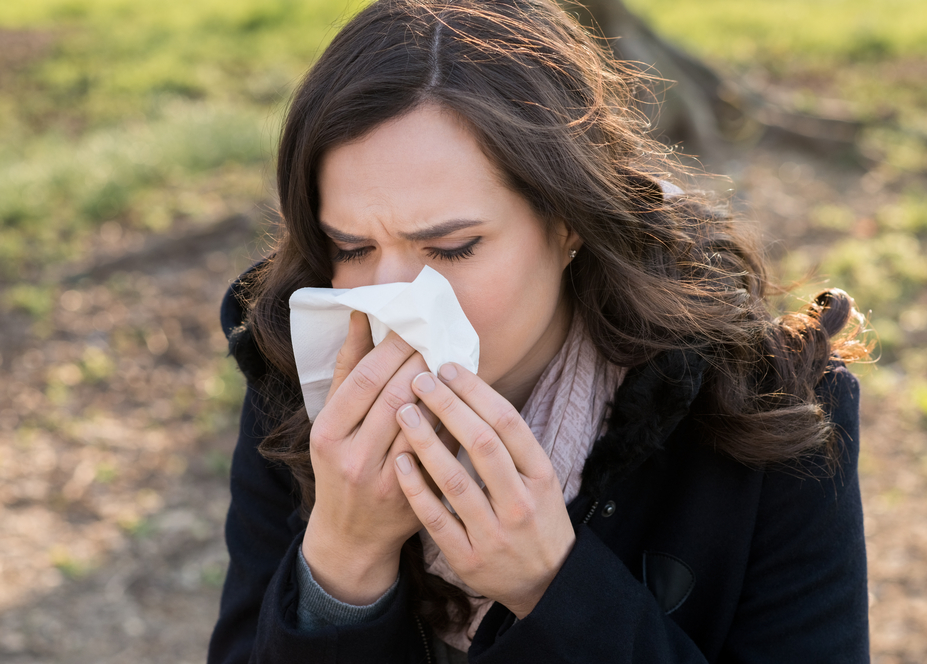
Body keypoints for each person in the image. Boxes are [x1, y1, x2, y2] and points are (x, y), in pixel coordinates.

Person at [208, 0, 871, 661]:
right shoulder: (297, 380)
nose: (394, 298)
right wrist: (342, 562)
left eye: (454, 247)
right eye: (352, 248)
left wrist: (556, 590)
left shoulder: (767, 408)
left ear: (568, 223)